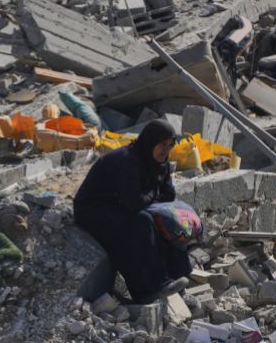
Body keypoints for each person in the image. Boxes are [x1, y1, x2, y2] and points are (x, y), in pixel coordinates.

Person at [73, 119, 191, 304]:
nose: (165, 150)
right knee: (142, 223)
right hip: (92, 209)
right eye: (161, 145)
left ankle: (178, 278)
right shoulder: (128, 160)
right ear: (150, 141)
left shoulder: (161, 163)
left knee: (169, 218)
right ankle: (155, 284)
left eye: (170, 145)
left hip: (118, 205)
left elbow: (168, 195)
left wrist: (149, 195)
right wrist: (153, 193)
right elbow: (135, 203)